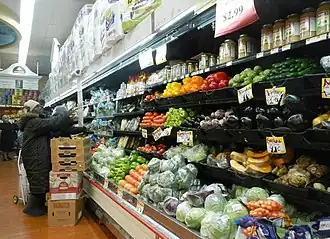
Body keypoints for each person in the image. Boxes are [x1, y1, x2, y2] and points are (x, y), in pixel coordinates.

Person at [18, 100, 72, 216]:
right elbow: (53, 122)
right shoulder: (33, 122)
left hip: (37, 155)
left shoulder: (34, 122)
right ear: (32, 109)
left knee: (40, 182)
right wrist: (65, 114)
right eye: (37, 106)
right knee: (38, 183)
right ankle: (32, 209)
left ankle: (38, 207)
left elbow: (52, 131)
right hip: (35, 157)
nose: (41, 107)